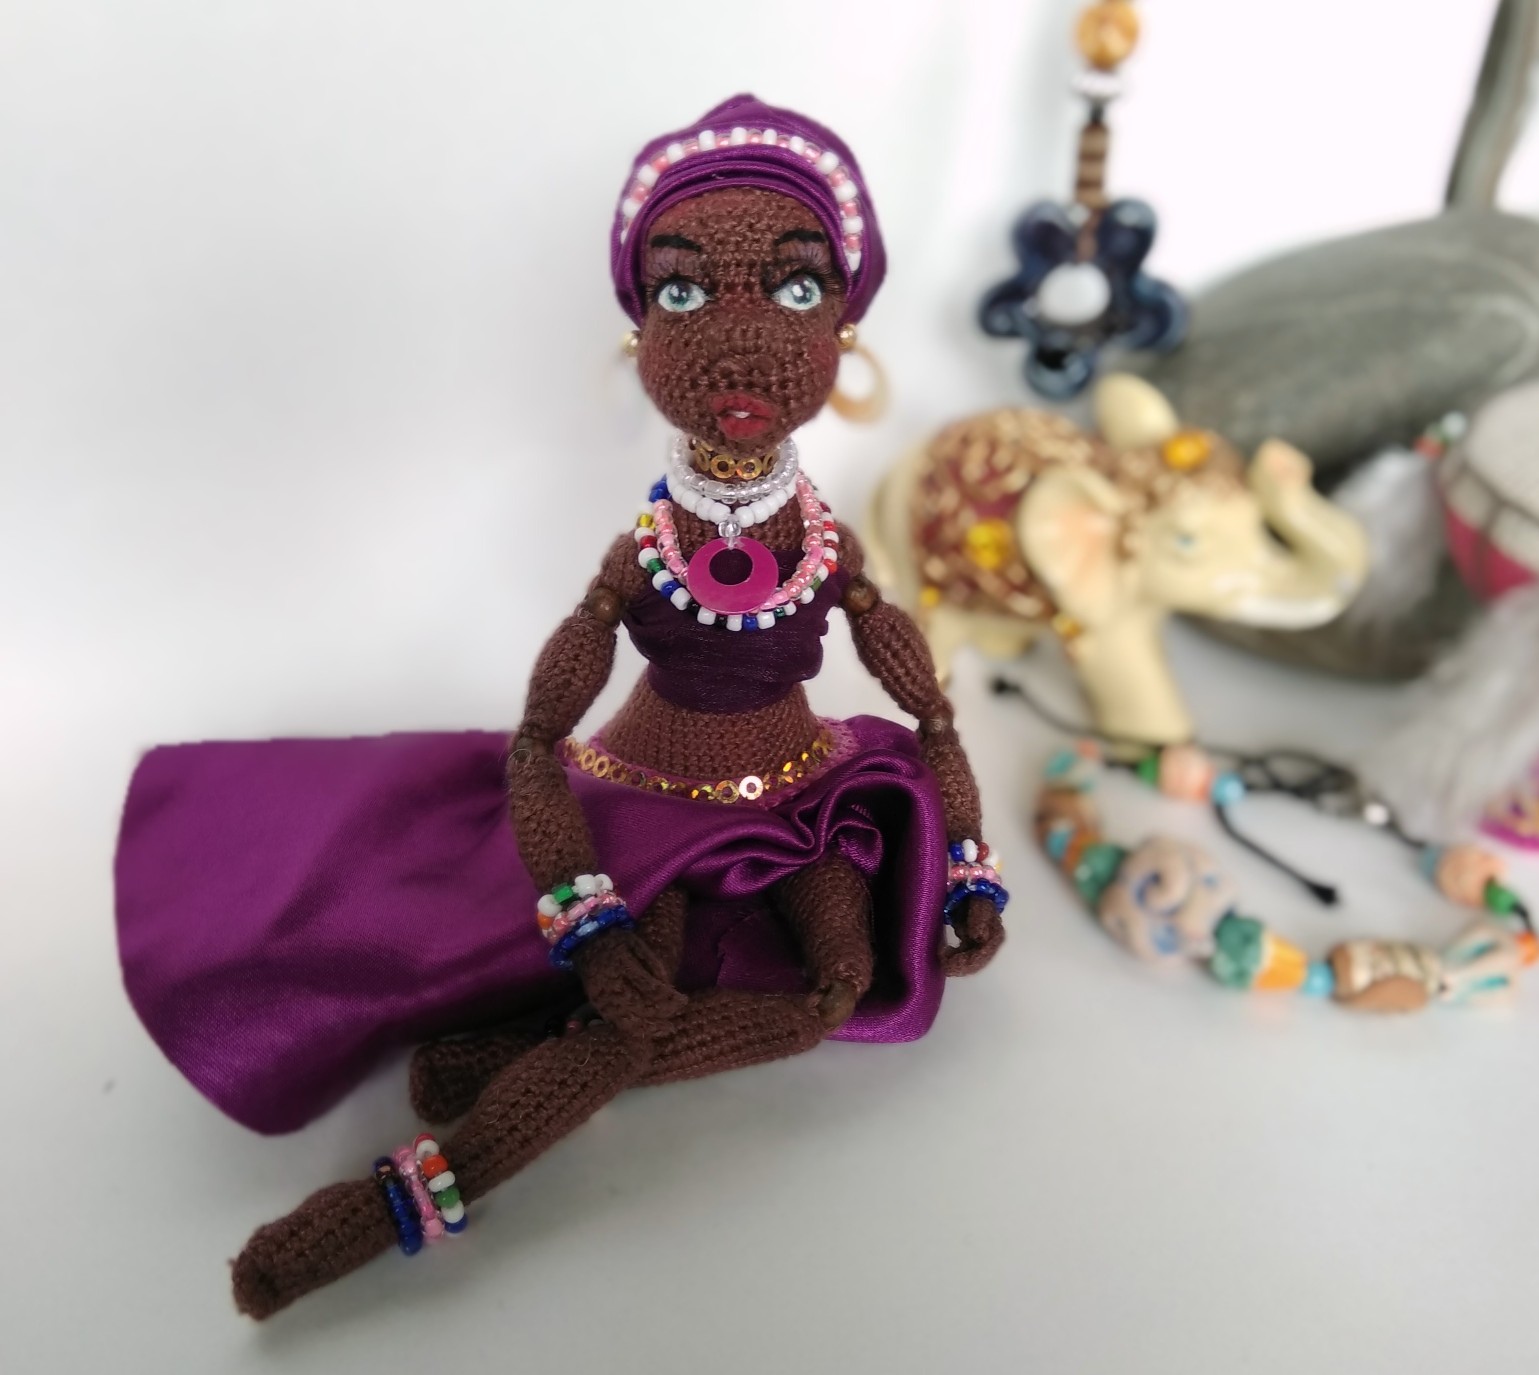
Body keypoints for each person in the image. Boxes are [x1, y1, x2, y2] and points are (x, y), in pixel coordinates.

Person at [114, 93, 1007, 1320]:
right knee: (627, 998)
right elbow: (537, 743)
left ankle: (523, 1060)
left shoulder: (826, 549)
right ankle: (398, 1200)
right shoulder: (641, 558)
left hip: (806, 790)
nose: (740, 338)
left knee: (833, 986)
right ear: (640, 328)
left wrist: (964, 862)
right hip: (649, 798)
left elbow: (934, 717)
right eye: (683, 292)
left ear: (844, 329)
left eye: (797, 289)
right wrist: (579, 902)